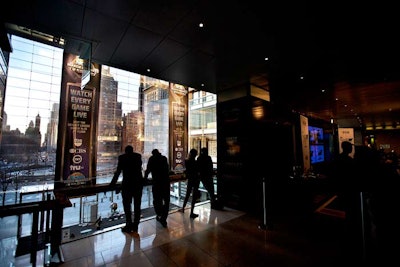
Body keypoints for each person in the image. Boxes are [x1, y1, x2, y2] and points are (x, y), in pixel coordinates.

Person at [110, 145, 144, 233]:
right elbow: (140, 169)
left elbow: (118, 172)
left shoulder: (122, 158)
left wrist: (112, 184)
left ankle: (128, 224)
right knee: (137, 205)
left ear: (125, 151)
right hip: (137, 184)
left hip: (127, 185)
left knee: (127, 206)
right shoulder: (138, 156)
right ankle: (136, 225)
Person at [144, 149, 170, 227]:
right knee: (166, 201)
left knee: (157, 200)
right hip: (165, 182)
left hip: (157, 183)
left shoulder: (152, 159)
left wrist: (145, 178)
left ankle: (159, 215)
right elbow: (167, 170)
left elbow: (147, 170)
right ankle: (164, 218)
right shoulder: (164, 158)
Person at [180, 148, 200, 219]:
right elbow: (198, 171)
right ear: (195, 154)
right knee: (194, 196)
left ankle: (183, 208)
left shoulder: (187, 161)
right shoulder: (196, 162)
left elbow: (187, 170)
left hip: (190, 179)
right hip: (196, 180)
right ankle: (191, 212)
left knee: (187, 194)